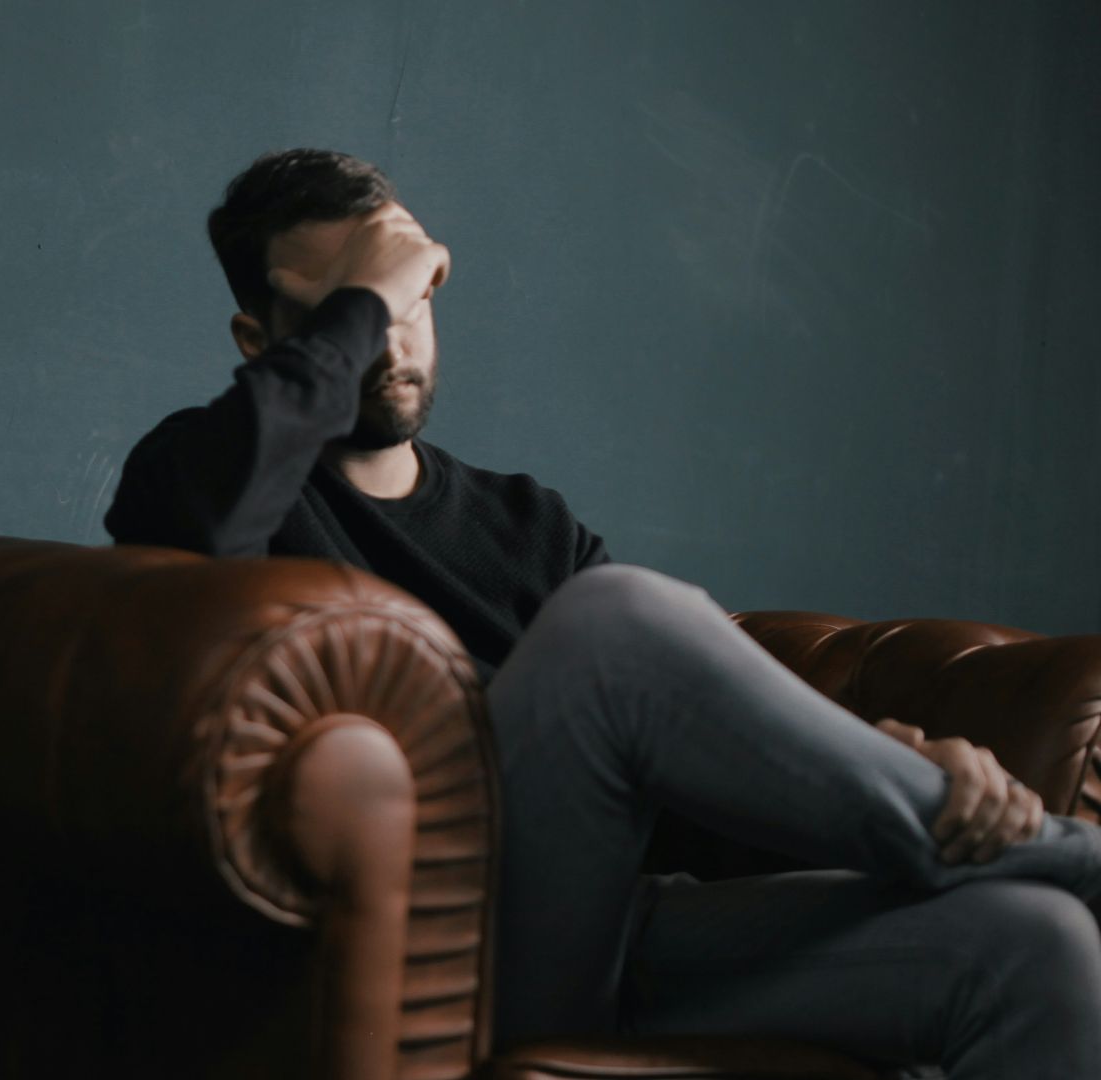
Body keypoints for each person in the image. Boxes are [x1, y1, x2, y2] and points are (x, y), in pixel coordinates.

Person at [104, 148, 1101, 1078]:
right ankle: (1066, 855)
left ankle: (998, 847)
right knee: (613, 619)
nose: (394, 337)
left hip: (615, 937)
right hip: (437, 959)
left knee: (1035, 945)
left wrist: (885, 764)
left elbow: (672, 781)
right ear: (262, 339)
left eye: (415, 295)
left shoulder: (525, 522)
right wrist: (370, 292)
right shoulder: (204, 475)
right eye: (360, 308)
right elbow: (203, 519)